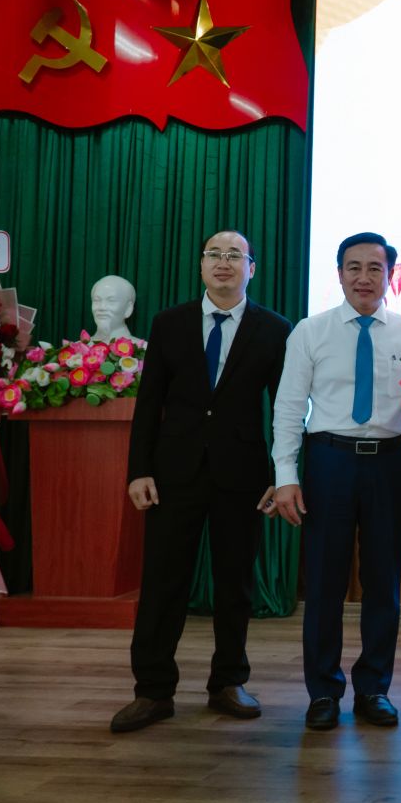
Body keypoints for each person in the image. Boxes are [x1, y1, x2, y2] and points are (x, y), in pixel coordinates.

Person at [110, 231, 291, 734]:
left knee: (235, 584)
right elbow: (149, 403)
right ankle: (152, 691)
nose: (224, 263)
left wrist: (280, 475)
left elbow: (285, 409)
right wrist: (139, 470)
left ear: (252, 268)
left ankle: (228, 682)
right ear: (201, 265)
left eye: (235, 256)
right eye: (215, 255)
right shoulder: (169, 323)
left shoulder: (275, 329)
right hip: (173, 473)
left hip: (243, 475)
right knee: (162, 583)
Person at [269, 233, 401, 731]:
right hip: (329, 462)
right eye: (353, 267)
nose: (364, 277)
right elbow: (289, 408)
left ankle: (374, 688)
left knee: (383, 582)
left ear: (389, 277)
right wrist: (286, 476)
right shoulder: (310, 331)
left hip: (390, 463)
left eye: (375, 268)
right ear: (338, 274)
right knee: (324, 582)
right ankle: (323, 692)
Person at [89, 274, 136, 340]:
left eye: (111, 301)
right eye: (97, 300)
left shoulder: (143, 346)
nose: (102, 307)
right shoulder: (76, 346)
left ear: (128, 308)